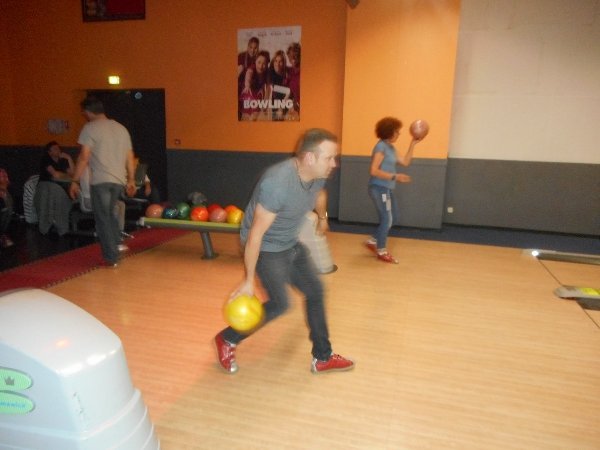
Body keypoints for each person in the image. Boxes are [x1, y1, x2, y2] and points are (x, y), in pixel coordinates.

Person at [214, 128, 354, 375]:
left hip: (289, 243)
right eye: (329, 158)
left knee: (316, 291)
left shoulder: (317, 174)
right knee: (280, 304)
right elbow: (255, 235)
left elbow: (319, 193)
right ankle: (228, 338)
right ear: (309, 157)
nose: (335, 164)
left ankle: (322, 357)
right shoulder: (277, 183)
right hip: (266, 248)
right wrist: (248, 280)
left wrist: (322, 217)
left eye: (335, 157)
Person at [69, 96, 136, 267]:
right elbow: (129, 156)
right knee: (110, 213)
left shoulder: (90, 128)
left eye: (83, 112)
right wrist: (131, 180)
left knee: (102, 218)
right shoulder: (121, 128)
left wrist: (75, 180)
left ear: (87, 112)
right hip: (118, 180)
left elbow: (84, 156)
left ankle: (111, 257)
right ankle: (117, 243)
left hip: (101, 181)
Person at [365, 116, 421, 263]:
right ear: (389, 132)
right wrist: (395, 176)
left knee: (393, 217)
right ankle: (381, 250)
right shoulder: (381, 147)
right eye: (397, 131)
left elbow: (405, 162)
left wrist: (413, 143)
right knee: (387, 219)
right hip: (379, 188)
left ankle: (373, 241)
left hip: (386, 188)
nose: (399, 134)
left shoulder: (391, 148)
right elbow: (374, 170)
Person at [0, 168, 14, 248]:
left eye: (6, 175)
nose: (5, 177)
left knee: (7, 210)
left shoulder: (7, 191)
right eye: (3, 176)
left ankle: (2, 235)